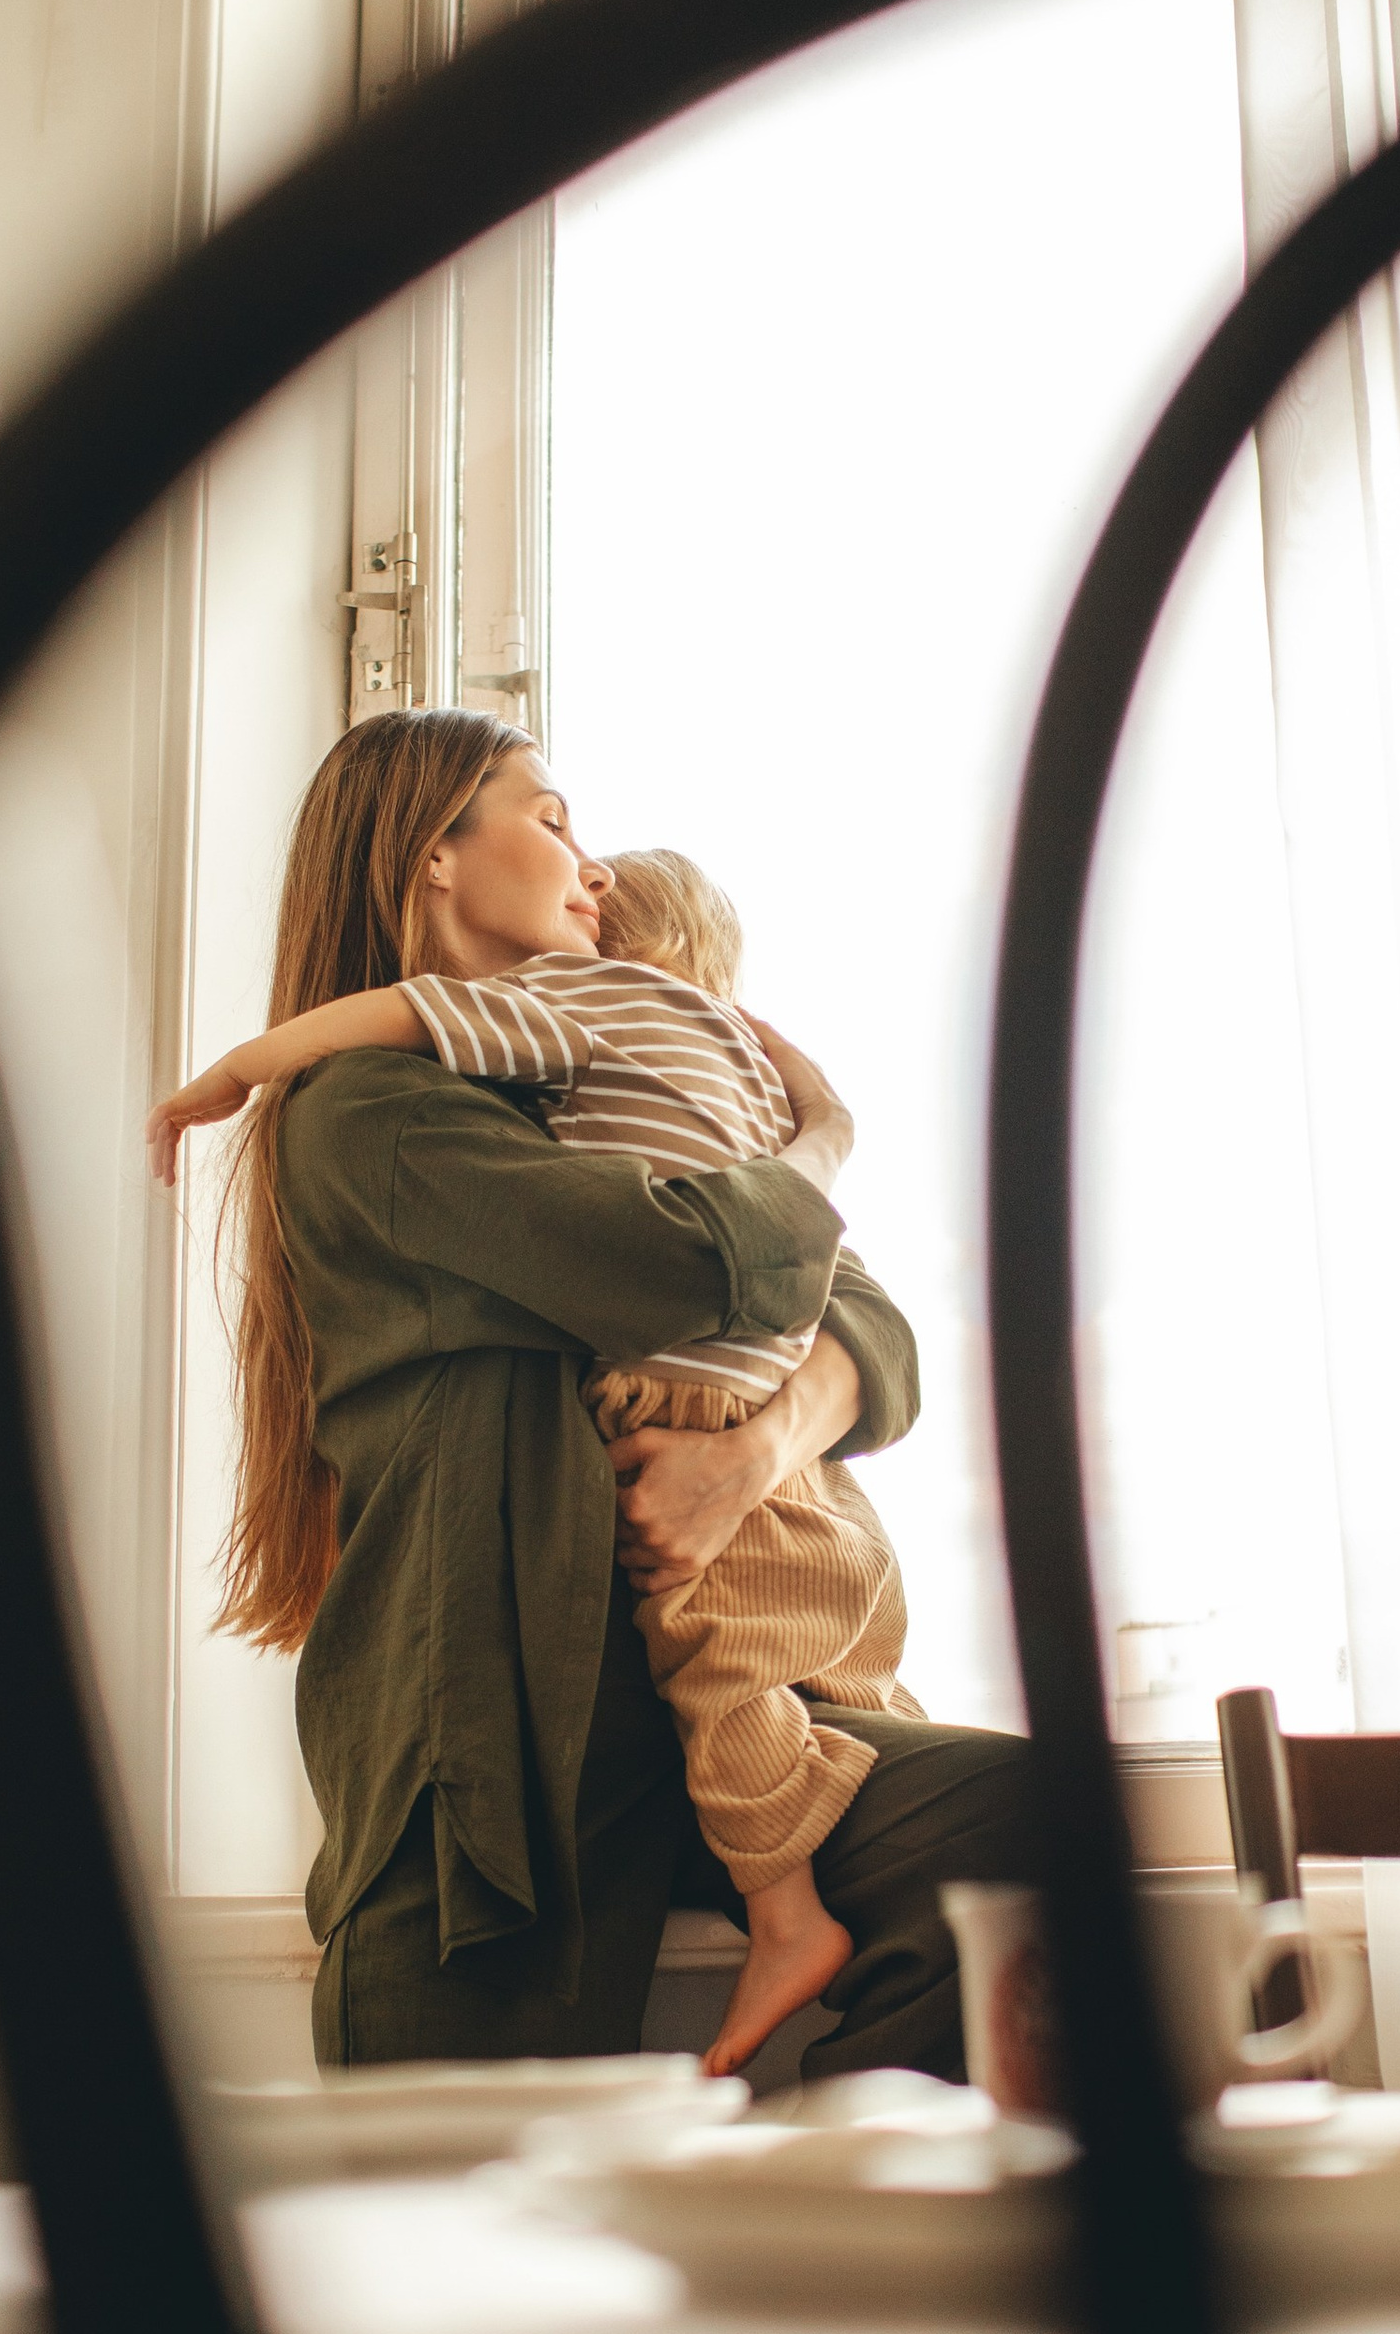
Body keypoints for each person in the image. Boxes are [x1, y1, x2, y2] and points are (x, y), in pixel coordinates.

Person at [154, 707, 1029, 2076]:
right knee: (476, 2257)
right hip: (497, 1769)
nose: (589, 857)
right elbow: (695, 1264)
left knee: (1023, 1831)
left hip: (701, 1719)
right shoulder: (371, 1112)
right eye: (546, 814)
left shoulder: (593, 1090)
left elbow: (873, 1331)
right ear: (434, 855)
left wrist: (750, 1454)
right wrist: (824, 1143)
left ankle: (834, 2248)